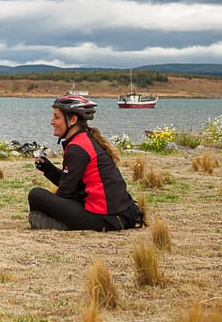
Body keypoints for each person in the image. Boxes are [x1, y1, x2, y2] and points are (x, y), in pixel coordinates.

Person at [28, 94, 144, 231]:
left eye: (57, 117)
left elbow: (66, 193)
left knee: (35, 195)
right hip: (119, 214)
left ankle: (57, 225)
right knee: (41, 204)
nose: (52, 122)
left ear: (73, 119)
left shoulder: (77, 148)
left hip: (104, 218)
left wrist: (51, 209)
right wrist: (48, 169)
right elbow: (72, 184)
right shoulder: (85, 140)